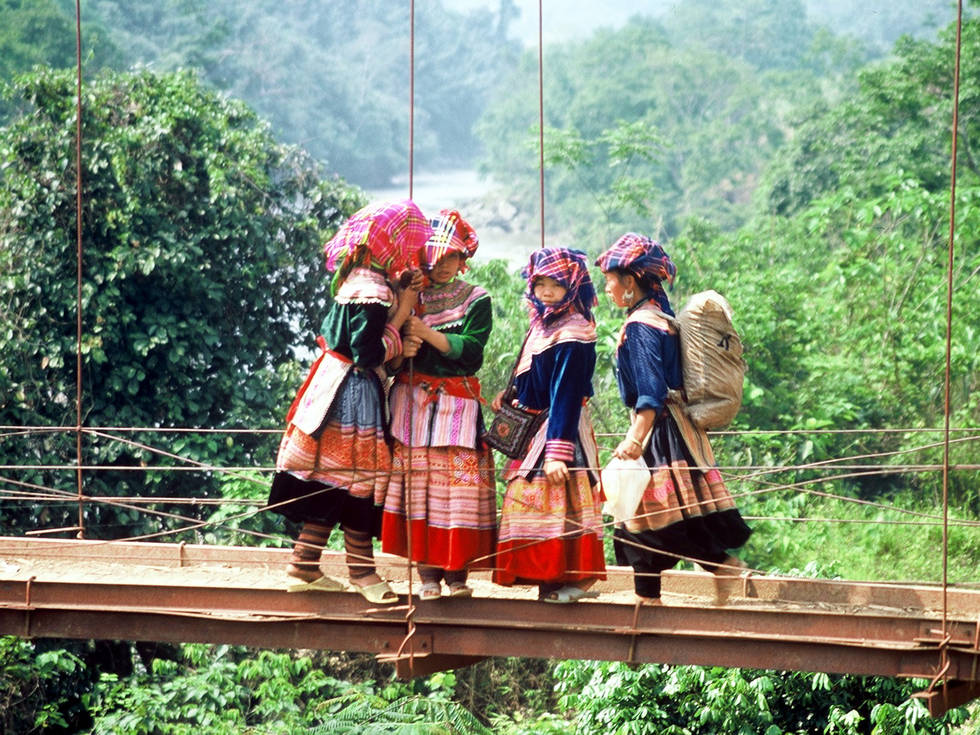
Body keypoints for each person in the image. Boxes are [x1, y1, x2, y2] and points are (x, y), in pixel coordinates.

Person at [267, 199, 432, 604]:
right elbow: (369, 353)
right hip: (353, 393)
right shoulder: (373, 291)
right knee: (358, 481)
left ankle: (303, 566)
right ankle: (362, 572)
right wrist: (403, 313)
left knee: (331, 481)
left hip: (331, 386)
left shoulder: (354, 280)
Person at [595, 232, 752, 603]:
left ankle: (716, 569)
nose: (607, 290)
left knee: (648, 519)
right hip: (675, 430)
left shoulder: (641, 326)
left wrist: (635, 438)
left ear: (630, 282)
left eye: (610, 282)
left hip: (659, 433)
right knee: (648, 520)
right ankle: (651, 597)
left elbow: (650, 390)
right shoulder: (660, 318)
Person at [381, 210, 496, 600]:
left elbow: (471, 353)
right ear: (427, 254)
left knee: (459, 492)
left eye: (456, 257)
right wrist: (403, 347)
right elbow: (389, 352)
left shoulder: (477, 299)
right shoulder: (407, 293)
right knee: (420, 491)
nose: (452, 264)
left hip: (457, 408)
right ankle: (428, 575)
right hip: (411, 405)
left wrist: (425, 333)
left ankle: (458, 574)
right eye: (444, 256)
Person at [491, 247, 606, 603]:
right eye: (539, 284)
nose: (545, 291)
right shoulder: (542, 325)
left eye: (555, 284)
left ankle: (577, 580)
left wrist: (558, 453)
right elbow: (535, 374)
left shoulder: (573, 331)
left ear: (572, 285)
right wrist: (510, 394)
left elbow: (565, 394)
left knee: (552, 498)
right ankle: (548, 582)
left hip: (560, 427)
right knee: (532, 500)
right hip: (537, 424)